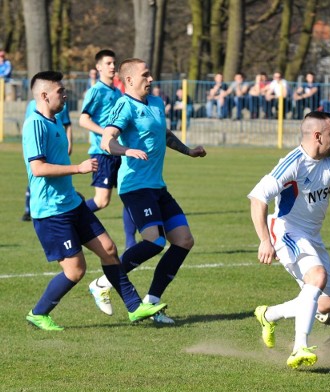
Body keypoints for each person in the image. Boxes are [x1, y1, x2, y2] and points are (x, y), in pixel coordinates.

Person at [22, 71, 167, 330]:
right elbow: (38, 169)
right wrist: (78, 168)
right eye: (60, 91)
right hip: (50, 212)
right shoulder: (35, 123)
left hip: (71, 203)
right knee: (75, 271)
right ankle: (38, 312)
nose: (66, 95)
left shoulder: (53, 121)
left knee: (109, 250)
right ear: (44, 95)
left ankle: (135, 308)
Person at [248, 110, 330, 369]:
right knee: (317, 277)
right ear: (318, 136)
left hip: (311, 236)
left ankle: (269, 314)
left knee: (327, 304)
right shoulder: (293, 163)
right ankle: (300, 347)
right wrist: (264, 239)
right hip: (287, 232)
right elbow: (257, 198)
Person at [91, 58, 207, 325]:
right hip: (135, 186)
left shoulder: (155, 103)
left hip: (157, 186)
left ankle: (152, 303)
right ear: (129, 80)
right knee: (155, 241)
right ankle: (101, 282)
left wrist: (188, 151)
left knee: (184, 241)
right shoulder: (124, 104)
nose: (151, 79)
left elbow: (162, 133)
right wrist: (126, 150)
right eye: (145, 75)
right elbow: (106, 140)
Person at [79, 50, 138, 286]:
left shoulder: (116, 91)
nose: (113, 67)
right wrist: (104, 132)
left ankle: (131, 243)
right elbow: (83, 119)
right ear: (99, 67)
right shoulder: (96, 90)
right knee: (102, 201)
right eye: (109, 63)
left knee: (128, 194)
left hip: (118, 151)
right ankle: (72, 217)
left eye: (114, 63)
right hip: (102, 152)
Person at [22, 99, 73, 222]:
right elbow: (28, 125)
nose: (64, 95)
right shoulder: (32, 108)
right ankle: (28, 210)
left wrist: (69, 142)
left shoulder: (62, 105)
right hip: (40, 149)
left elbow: (67, 124)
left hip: (58, 147)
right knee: (38, 178)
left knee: (58, 175)